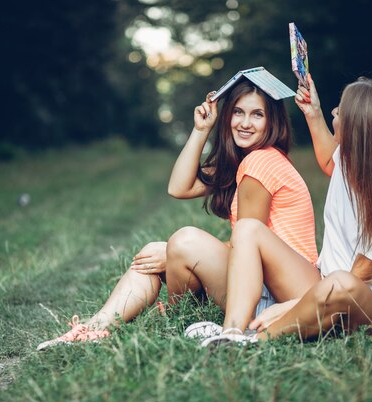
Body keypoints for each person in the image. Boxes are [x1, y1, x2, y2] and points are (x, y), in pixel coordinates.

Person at [37, 76, 318, 350]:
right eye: (238, 112)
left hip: (283, 295)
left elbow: (249, 244)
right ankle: (95, 328)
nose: (245, 123)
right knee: (157, 251)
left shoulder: (261, 161)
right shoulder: (241, 161)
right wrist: (200, 130)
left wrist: (173, 251)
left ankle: (173, 315)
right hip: (259, 285)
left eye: (257, 114)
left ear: (272, 121)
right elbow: (178, 187)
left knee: (183, 242)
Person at [198, 75, 372, 346]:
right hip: (323, 283)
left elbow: (362, 273)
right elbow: (328, 159)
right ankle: (232, 332)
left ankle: (256, 338)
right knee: (249, 229)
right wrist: (313, 112)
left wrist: (294, 305)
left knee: (340, 284)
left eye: (339, 110)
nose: (334, 112)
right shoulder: (349, 161)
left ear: (357, 128)